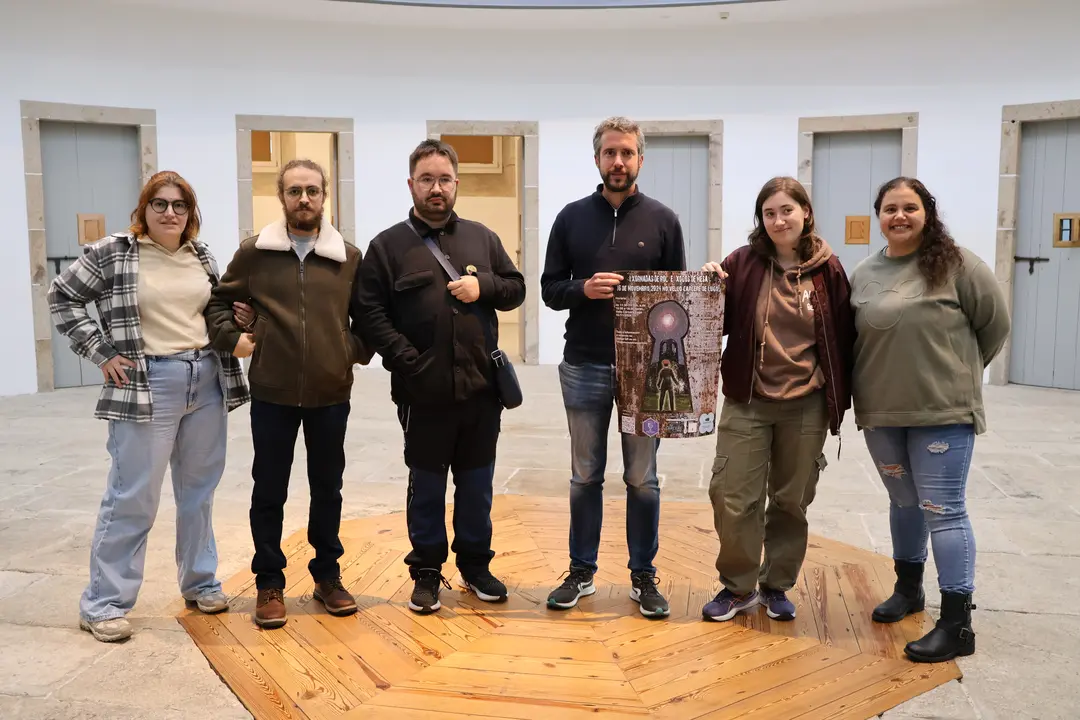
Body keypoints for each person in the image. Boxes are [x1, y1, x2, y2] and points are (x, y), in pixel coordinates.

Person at [48, 171, 251, 643]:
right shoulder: (116, 252)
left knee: (199, 492)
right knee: (133, 494)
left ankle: (200, 582)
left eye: (180, 205)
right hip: (148, 382)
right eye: (159, 204)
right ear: (143, 209)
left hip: (205, 379)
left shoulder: (200, 255)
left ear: (191, 213)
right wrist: (101, 352)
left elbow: (211, 311)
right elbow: (62, 296)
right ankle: (104, 603)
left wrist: (239, 316)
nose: (170, 213)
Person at [355, 139, 526, 614]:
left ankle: (475, 566)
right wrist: (405, 358)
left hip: (480, 390)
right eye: (426, 179)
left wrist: (482, 286)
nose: (436, 188)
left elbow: (515, 289)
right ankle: (427, 572)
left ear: (456, 184)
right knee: (426, 486)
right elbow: (369, 311)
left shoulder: (482, 238)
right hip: (421, 391)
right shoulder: (387, 246)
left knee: (476, 485)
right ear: (411, 184)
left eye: (444, 179)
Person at [205, 158, 370, 629]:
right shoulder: (257, 253)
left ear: (324, 197)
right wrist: (234, 338)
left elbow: (370, 318)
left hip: (330, 391)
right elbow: (219, 302)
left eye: (312, 191)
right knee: (269, 490)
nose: (304, 199)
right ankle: (269, 582)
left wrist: (347, 350)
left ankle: (327, 576)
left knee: (328, 489)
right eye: (295, 191)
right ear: (282, 197)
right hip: (274, 391)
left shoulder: (347, 258)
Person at [851, 176, 1010, 663]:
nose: (899, 216)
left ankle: (958, 624)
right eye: (890, 208)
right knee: (903, 502)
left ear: (927, 212)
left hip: (941, 414)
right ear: (879, 216)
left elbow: (995, 326)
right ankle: (909, 590)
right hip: (881, 413)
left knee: (944, 511)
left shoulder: (960, 265)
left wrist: (953, 376)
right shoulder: (864, 271)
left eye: (910, 207)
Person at [540, 116, 686, 618]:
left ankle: (643, 577)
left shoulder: (664, 220)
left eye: (627, 153)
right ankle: (581, 572)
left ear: (640, 159)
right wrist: (582, 288)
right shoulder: (570, 218)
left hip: (645, 371)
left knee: (643, 478)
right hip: (584, 364)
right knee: (585, 476)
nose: (618, 161)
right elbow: (548, 288)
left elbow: (678, 299)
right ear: (597, 159)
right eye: (610, 153)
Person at [698, 176, 855, 623]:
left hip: (806, 404)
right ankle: (737, 586)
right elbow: (715, 323)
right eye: (769, 213)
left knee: (790, 500)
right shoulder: (743, 263)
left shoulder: (829, 269)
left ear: (805, 212)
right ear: (761, 220)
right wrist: (710, 286)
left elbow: (844, 336)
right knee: (731, 495)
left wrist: (838, 392)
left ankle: (775, 585)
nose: (779, 219)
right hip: (748, 398)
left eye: (787, 210)